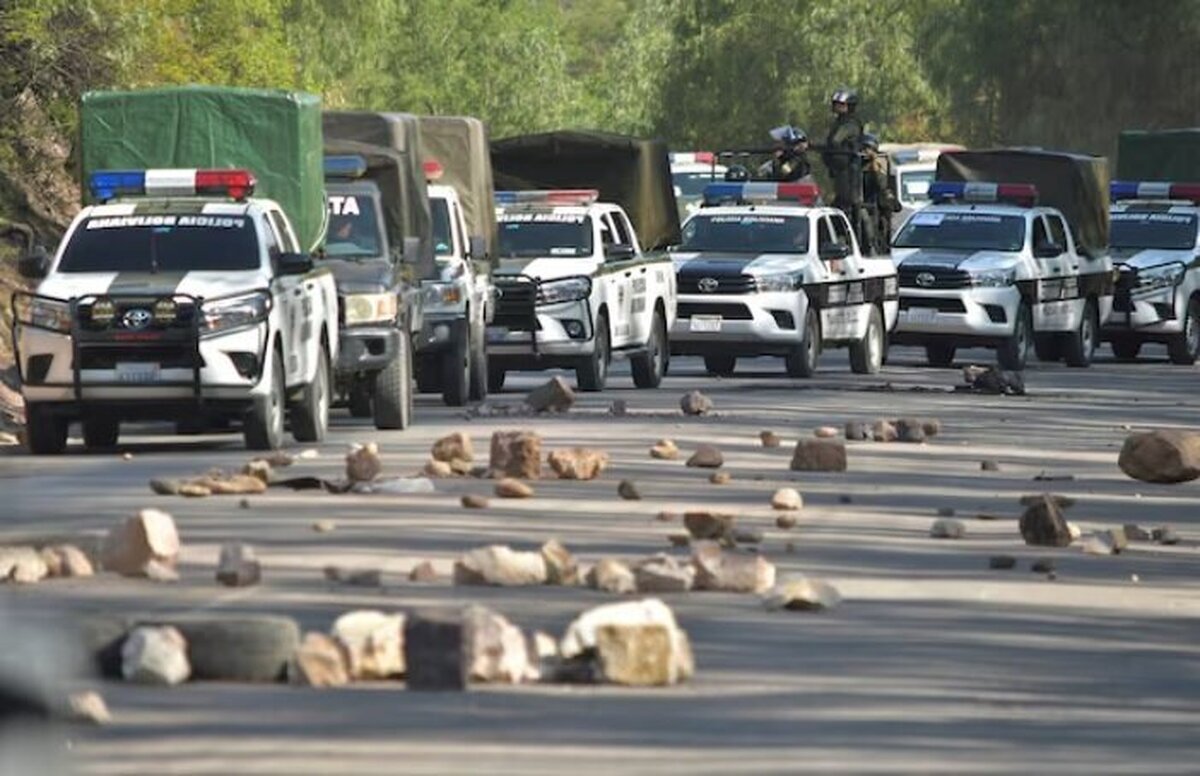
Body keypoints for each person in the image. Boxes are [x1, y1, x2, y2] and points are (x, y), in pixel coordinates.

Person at [823, 88, 865, 241]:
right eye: (836, 104)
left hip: (849, 170)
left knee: (847, 203)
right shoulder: (839, 122)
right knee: (839, 202)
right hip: (839, 169)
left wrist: (829, 148)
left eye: (841, 105)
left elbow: (836, 140)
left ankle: (850, 238)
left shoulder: (851, 124)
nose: (837, 108)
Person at [859, 133, 901, 255]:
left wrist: (874, 165)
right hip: (860, 204)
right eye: (862, 149)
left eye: (866, 149)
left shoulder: (878, 164)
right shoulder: (856, 165)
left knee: (874, 236)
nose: (864, 152)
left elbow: (881, 185)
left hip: (874, 208)